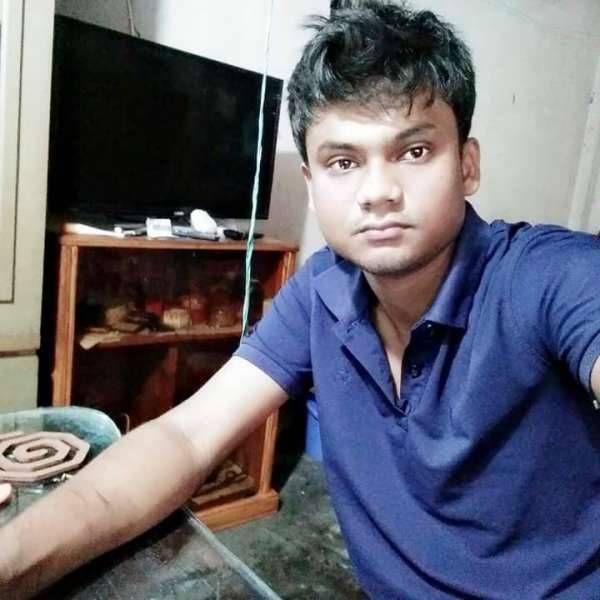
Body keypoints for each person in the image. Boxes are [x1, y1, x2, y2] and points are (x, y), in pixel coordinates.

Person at [2, 1, 600, 597]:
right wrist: (12, 561)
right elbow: (185, 437)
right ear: (312, 188)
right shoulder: (323, 291)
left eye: (414, 151)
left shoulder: (544, 276)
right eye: (343, 162)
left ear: (467, 165)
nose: (378, 192)